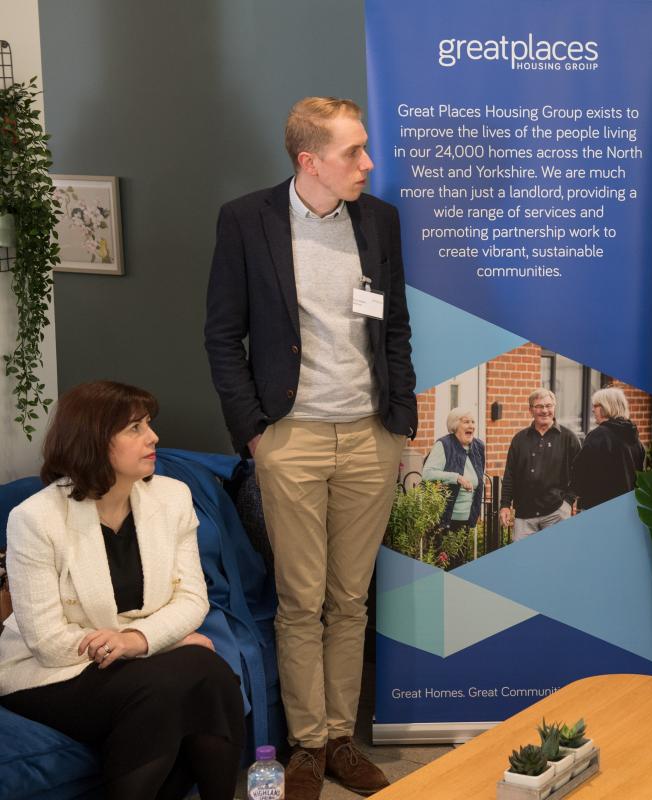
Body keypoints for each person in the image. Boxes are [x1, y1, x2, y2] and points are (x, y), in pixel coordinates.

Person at [204, 96, 416, 799]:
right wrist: (256, 434)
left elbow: (395, 331)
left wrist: (401, 424)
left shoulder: (377, 220)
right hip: (289, 437)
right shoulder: (247, 220)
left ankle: (338, 739)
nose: (368, 164)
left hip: (369, 436)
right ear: (309, 161)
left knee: (350, 598)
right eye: (354, 152)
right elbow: (222, 335)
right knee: (300, 601)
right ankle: (305, 746)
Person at [0, 381, 243, 800]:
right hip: (50, 674)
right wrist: (161, 645)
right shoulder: (35, 519)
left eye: (148, 424)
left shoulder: (172, 498)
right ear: (93, 441)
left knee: (212, 675)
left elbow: (192, 599)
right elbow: (48, 642)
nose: (153, 437)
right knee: (177, 681)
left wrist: (137, 640)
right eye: (134, 428)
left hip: (128, 661)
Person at [498, 389, 581, 541]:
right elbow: (510, 475)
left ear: (554, 407)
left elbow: (581, 474)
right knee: (524, 561)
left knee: (555, 562)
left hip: (556, 513)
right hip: (524, 516)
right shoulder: (519, 439)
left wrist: (568, 502)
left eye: (548, 406)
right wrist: (505, 505)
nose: (544, 411)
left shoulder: (569, 438)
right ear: (531, 410)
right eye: (539, 406)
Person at [422, 408, 486, 564]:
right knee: (442, 564)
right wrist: (456, 478)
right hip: (444, 519)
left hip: (465, 520)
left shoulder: (478, 446)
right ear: (455, 425)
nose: (471, 426)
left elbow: (479, 478)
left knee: (459, 564)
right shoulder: (444, 445)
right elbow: (428, 473)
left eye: (473, 422)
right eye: (466, 422)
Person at [570, 386, 645, 510]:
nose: (592, 410)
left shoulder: (598, 436)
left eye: (595, 406)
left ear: (606, 406)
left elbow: (579, 472)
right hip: (627, 507)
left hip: (599, 507)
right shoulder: (635, 438)